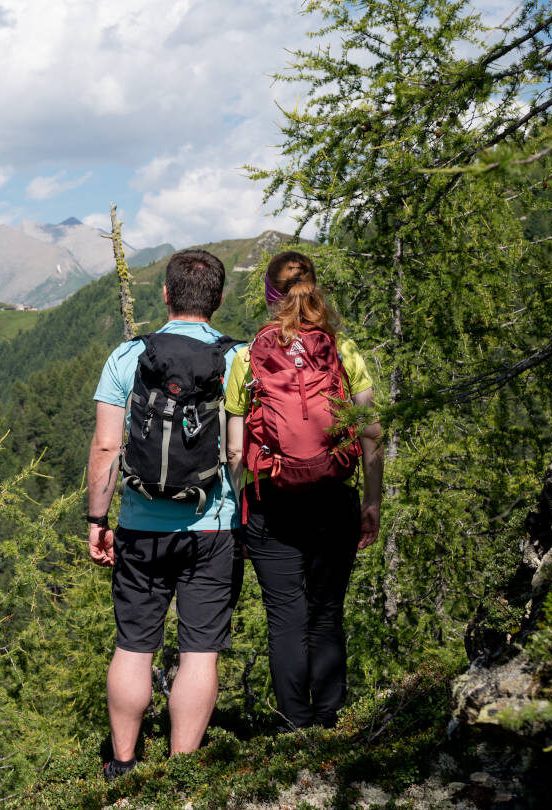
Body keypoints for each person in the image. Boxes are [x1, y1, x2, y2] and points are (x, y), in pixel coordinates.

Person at [86, 249, 242, 782]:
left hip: (140, 525)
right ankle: (181, 775)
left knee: (133, 646)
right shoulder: (236, 358)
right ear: (218, 300)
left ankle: (123, 765)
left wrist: (97, 519)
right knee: (200, 652)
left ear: (166, 295)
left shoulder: (127, 357)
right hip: (213, 524)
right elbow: (245, 450)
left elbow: (107, 449)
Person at [224, 250, 384, 731]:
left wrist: (239, 512)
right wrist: (373, 501)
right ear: (315, 288)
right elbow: (372, 431)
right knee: (326, 612)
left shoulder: (246, 358)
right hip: (334, 497)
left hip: (272, 503)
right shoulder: (343, 349)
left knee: (285, 619)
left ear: (271, 296)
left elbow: (234, 453)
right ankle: (333, 722)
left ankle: (295, 728)